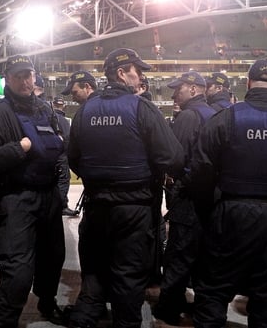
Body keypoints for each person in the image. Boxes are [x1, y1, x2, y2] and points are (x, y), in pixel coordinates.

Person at [186, 59, 267, 328]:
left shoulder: (225, 118)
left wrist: (208, 212)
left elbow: (200, 171)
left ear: (247, 83)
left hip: (229, 213)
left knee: (213, 291)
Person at [67, 48, 185, 328]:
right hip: (134, 209)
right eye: (137, 70)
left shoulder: (85, 111)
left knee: (94, 271)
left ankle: (84, 319)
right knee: (127, 276)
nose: (141, 76)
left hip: (96, 206)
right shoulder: (142, 108)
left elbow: (74, 158)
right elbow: (174, 157)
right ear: (121, 73)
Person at [0, 55, 66, 328]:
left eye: (29, 75)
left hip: (48, 197)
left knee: (53, 259)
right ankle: (1, 322)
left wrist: (60, 193)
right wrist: (19, 148)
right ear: (8, 80)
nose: (26, 81)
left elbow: (60, 152)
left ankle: (47, 304)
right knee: (18, 272)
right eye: (19, 76)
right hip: (16, 199)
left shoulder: (45, 109)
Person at [153, 71, 216, 325]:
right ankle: (202, 307)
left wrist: (173, 184)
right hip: (210, 198)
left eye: (178, 89)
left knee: (178, 254)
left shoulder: (188, 116)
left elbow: (173, 156)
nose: (173, 94)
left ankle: (169, 307)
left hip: (188, 196)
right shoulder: (214, 114)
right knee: (203, 257)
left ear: (192, 89)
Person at [52, 96, 79, 216]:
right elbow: (68, 139)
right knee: (63, 179)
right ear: (63, 106)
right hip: (62, 154)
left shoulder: (48, 116)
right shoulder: (64, 120)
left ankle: (55, 204)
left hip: (50, 155)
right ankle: (62, 206)